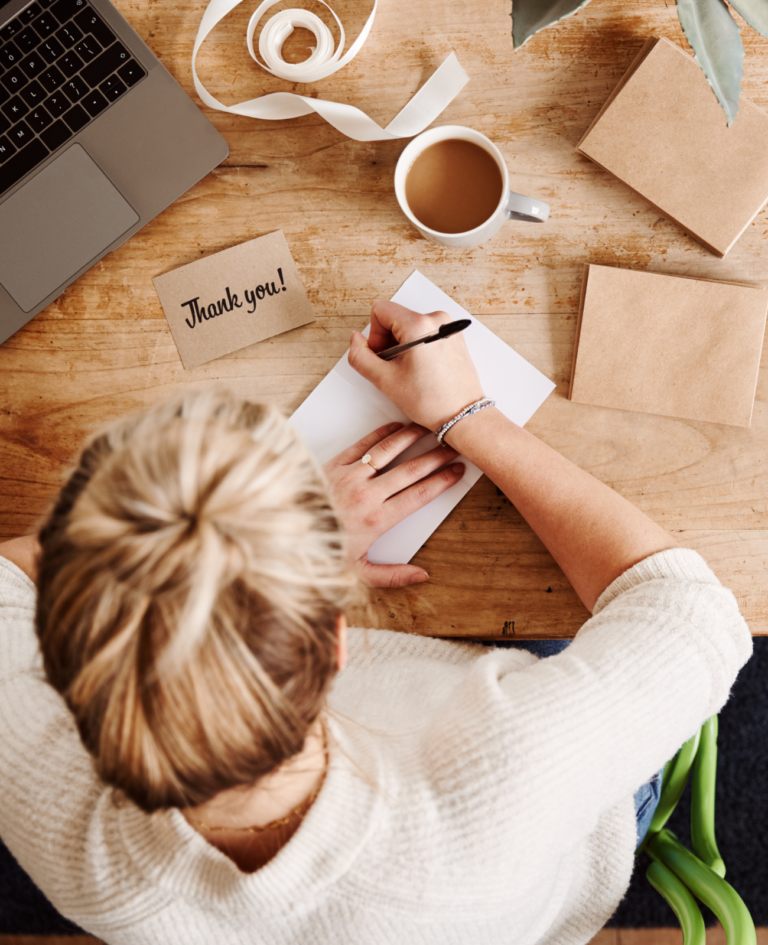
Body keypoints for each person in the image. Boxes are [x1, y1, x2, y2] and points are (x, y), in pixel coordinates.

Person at [0, 301, 752, 945]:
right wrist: (466, 414)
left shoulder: (72, 836)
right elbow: (694, 612)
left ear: (65, 676)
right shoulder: (503, 771)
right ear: (335, 642)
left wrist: (263, 555)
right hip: (559, 831)